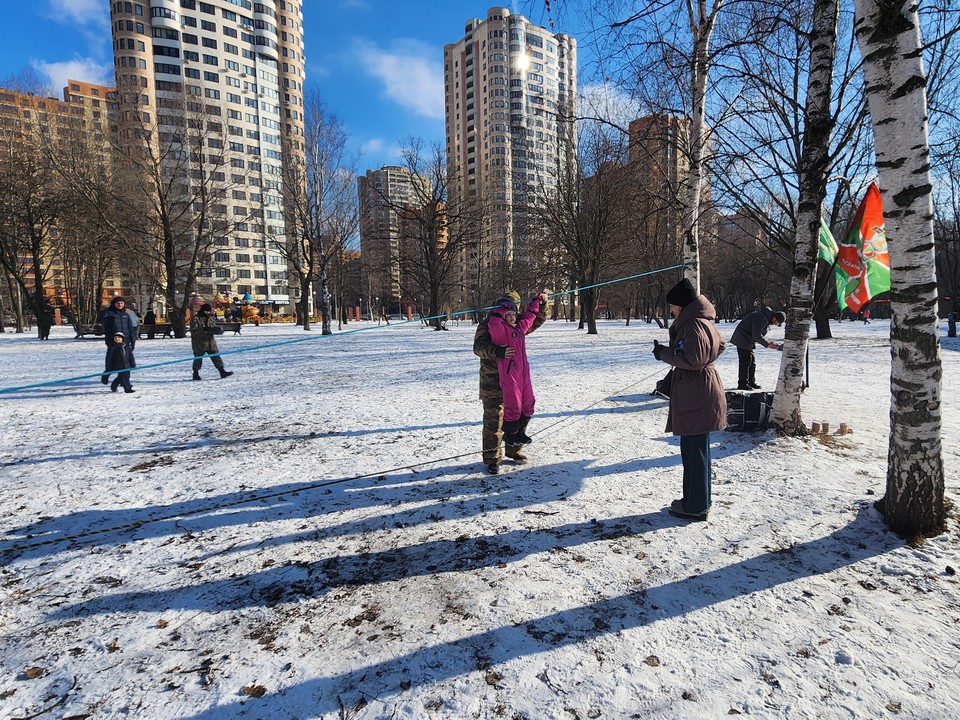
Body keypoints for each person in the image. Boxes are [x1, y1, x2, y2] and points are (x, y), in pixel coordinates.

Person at [652, 278, 727, 521]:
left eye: (673, 307)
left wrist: (664, 353)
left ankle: (695, 506)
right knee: (697, 451)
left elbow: (693, 359)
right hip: (699, 391)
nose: (671, 311)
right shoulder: (701, 320)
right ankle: (699, 500)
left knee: (694, 453)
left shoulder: (694, 323)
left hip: (697, 395)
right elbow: (719, 345)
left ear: (681, 305)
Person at [473, 290, 547, 474]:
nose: (512, 314)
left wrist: (543, 304)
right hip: (493, 383)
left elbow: (534, 320)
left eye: (514, 310)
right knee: (494, 423)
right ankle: (492, 459)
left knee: (518, 416)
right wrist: (497, 351)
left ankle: (514, 451)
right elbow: (478, 348)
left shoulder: (515, 324)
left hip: (515, 382)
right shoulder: (488, 325)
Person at [730, 306, 785, 390]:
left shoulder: (765, 318)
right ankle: (742, 384)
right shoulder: (761, 318)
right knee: (745, 362)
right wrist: (767, 344)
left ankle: (751, 382)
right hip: (742, 339)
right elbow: (756, 336)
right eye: (776, 322)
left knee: (752, 362)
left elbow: (758, 334)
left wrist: (768, 343)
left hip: (748, 340)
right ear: (774, 317)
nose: (775, 324)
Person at [190, 303, 233, 381]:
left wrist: (218, 330)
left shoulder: (210, 319)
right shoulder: (196, 318)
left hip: (210, 343)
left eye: (209, 311)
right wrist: (204, 329)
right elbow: (194, 330)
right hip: (199, 343)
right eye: (206, 311)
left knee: (216, 357)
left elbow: (213, 327)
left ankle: (222, 371)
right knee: (198, 359)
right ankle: (195, 373)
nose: (208, 313)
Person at [99, 297, 135, 385]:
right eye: (118, 303)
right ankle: (106, 374)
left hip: (125, 341)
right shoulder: (109, 313)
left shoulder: (126, 315)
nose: (120, 305)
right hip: (114, 342)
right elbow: (102, 319)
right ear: (114, 304)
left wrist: (132, 340)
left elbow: (130, 328)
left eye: (121, 303)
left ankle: (124, 381)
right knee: (113, 361)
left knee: (126, 362)